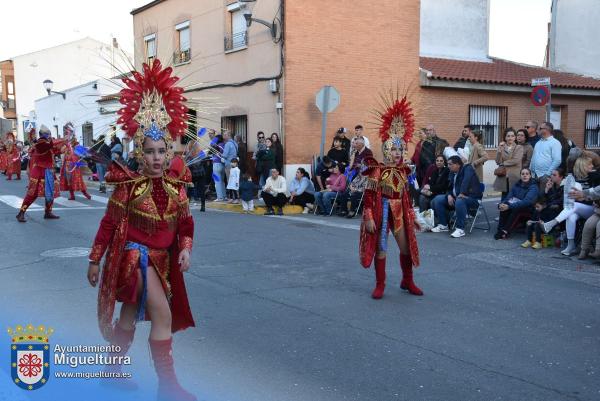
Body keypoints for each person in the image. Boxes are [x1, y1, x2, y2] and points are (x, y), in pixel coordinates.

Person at [86, 58, 197, 401]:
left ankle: (112, 371)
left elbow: (186, 222)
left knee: (130, 315)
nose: (157, 158)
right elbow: (108, 224)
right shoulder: (128, 188)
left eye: (162, 151)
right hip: (135, 260)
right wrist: (94, 259)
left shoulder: (178, 188)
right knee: (162, 314)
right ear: (138, 154)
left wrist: (185, 247)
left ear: (169, 150)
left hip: (162, 262)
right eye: (149, 152)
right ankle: (168, 387)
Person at [360, 92, 422, 299]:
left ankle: (408, 280)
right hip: (382, 211)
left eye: (400, 149)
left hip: (399, 212)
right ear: (386, 151)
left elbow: (406, 196)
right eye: (393, 149)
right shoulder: (376, 169)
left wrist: (412, 216)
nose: (397, 153)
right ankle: (380, 285)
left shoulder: (405, 170)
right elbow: (368, 196)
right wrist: (368, 217)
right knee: (381, 249)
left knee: (406, 248)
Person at [543, 155, 600, 255]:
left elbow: (595, 195)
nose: (592, 166)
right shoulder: (573, 180)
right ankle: (570, 245)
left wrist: (583, 197)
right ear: (582, 166)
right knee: (571, 216)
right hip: (577, 208)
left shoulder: (595, 178)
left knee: (574, 207)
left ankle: (552, 223)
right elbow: (569, 198)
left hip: (592, 208)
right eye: (589, 164)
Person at [16, 126, 70, 222]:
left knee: (50, 192)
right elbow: (50, 145)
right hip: (39, 173)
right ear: (43, 135)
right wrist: (62, 139)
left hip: (48, 171)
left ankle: (48, 212)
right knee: (33, 193)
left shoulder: (47, 144)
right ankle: (21, 213)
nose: (49, 135)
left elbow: (56, 150)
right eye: (48, 134)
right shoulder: (40, 143)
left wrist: (66, 143)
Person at [431, 155, 483, 238]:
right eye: (448, 164)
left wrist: (462, 193)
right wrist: (449, 195)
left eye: (450, 164)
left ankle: (460, 229)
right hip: (457, 197)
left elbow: (466, 181)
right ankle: (443, 225)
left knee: (460, 200)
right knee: (438, 199)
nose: (448, 166)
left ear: (458, 164)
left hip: (472, 198)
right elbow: (449, 187)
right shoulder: (452, 173)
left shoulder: (467, 168)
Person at [494, 168, 538, 240]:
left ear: (530, 176)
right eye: (523, 174)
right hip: (516, 204)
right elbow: (509, 197)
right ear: (520, 176)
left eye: (527, 174)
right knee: (503, 207)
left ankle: (506, 231)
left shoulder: (533, 187)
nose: (525, 176)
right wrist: (502, 204)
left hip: (529, 207)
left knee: (516, 209)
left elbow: (526, 202)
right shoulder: (517, 185)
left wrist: (509, 206)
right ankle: (500, 229)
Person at [530, 121, 562, 190]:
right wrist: (531, 171)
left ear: (547, 130)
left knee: (543, 198)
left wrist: (547, 174)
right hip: (534, 175)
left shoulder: (555, 143)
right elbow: (533, 158)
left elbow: (557, 160)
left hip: (545, 176)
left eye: (540, 128)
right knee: (535, 198)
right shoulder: (538, 142)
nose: (538, 130)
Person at [59, 133, 92, 200]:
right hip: (67, 166)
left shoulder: (76, 147)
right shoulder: (67, 147)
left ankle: (86, 194)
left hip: (74, 166)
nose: (68, 140)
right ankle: (72, 196)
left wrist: (86, 150)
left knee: (78, 181)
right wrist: (65, 145)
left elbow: (83, 153)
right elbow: (61, 151)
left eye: (69, 139)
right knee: (69, 181)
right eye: (67, 139)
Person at [493, 127, 523, 197]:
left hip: (514, 176)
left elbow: (516, 160)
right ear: (505, 137)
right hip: (504, 176)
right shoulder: (501, 147)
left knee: (513, 197)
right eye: (508, 136)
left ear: (515, 137)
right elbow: (497, 161)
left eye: (512, 136)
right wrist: (499, 152)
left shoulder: (519, 147)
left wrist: (503, 163)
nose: (510, 138)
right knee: (504, 197)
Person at [185, 141, 208, 211]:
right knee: (202, 190)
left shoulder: (189, 154)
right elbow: (204, 162)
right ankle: (203, 206)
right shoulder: (201, 153)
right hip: (201, 173)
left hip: (193, 174)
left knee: (190, 190)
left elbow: (187, 164)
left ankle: (187, 206)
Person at [211, 134, 226, 201]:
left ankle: (219, 197)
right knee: (222, 181)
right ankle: (224, 196)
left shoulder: (216, 145)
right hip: (222, 164)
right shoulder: (224, 144)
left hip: (216, 164)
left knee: (217, 182)